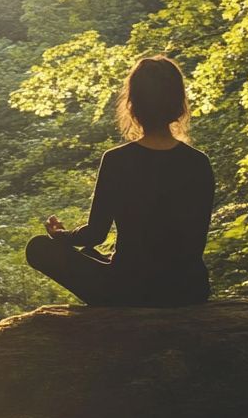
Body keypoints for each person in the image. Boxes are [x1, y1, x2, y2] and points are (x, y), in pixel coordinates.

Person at [26, 55, 214, 307]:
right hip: (188, 290)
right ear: (179, 106)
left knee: (39, 248)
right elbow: (194, 243)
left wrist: (60, 234)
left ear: (132, 106)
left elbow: (95, 234)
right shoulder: (198, 163)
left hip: (129, 290)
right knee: (92, 255)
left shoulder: (117, 160)